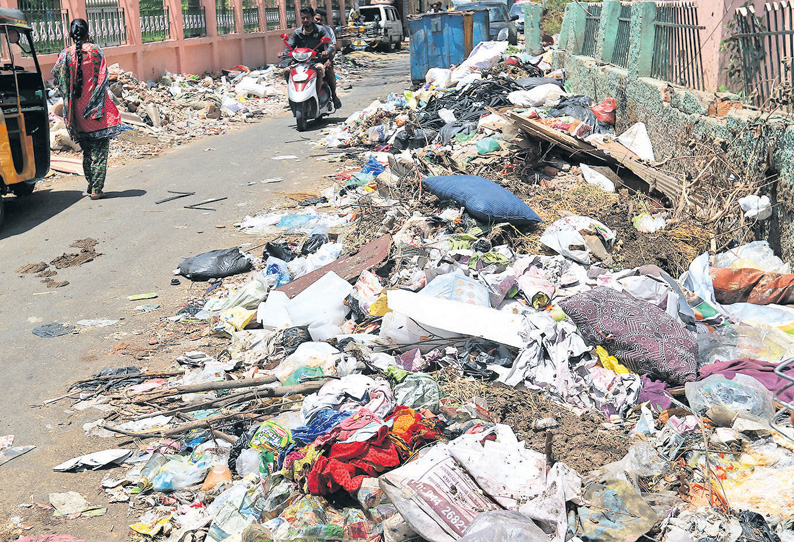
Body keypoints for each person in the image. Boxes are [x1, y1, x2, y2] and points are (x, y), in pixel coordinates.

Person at [52, 19, 121, 200]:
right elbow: (104, 77)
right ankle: (97, 189)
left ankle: (91, 184)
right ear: (87, 32)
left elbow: (56, 77)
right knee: (99, 151)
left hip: (76, 114)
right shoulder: (96, 52)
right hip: (96, 111)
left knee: (88, 151)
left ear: (70, 34)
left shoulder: (65, 54)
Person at [283, 6, 342, 109]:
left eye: (307, 17)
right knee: (287, 71)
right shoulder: (297, 32)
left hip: (317, 60)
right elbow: (290, 46)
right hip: (301, 61)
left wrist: (326, 52)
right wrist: (284, 53)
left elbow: (331, 45)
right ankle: (292, 97)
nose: (305, 20)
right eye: (303, 18)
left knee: (321, 70)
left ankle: (331, 95)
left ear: (312, 17)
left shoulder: (321, 30)